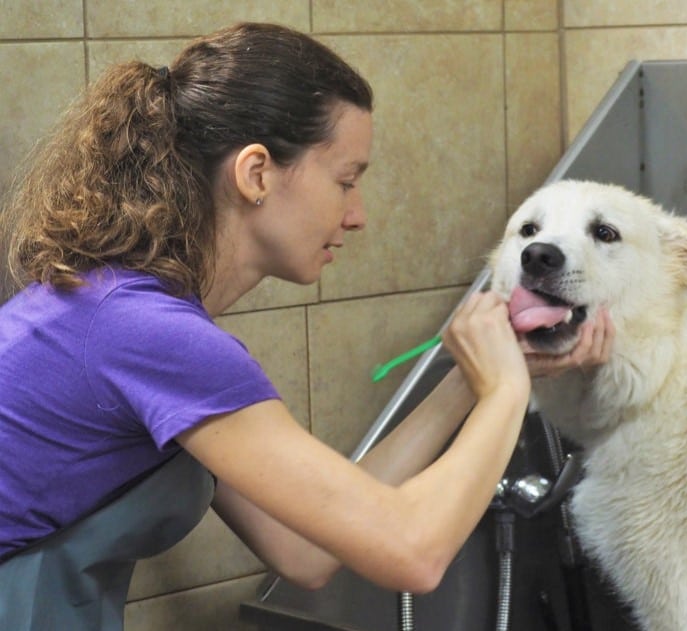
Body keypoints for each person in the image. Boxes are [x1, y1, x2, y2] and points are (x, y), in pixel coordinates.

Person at [0, 21, 614, 629]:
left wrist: (470, 381)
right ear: (256, 174)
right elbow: (414, 553)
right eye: (345, 181)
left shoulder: (132, 316)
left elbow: (306, 549)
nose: (358, 216)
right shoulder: (152, 337)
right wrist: (508, 393)